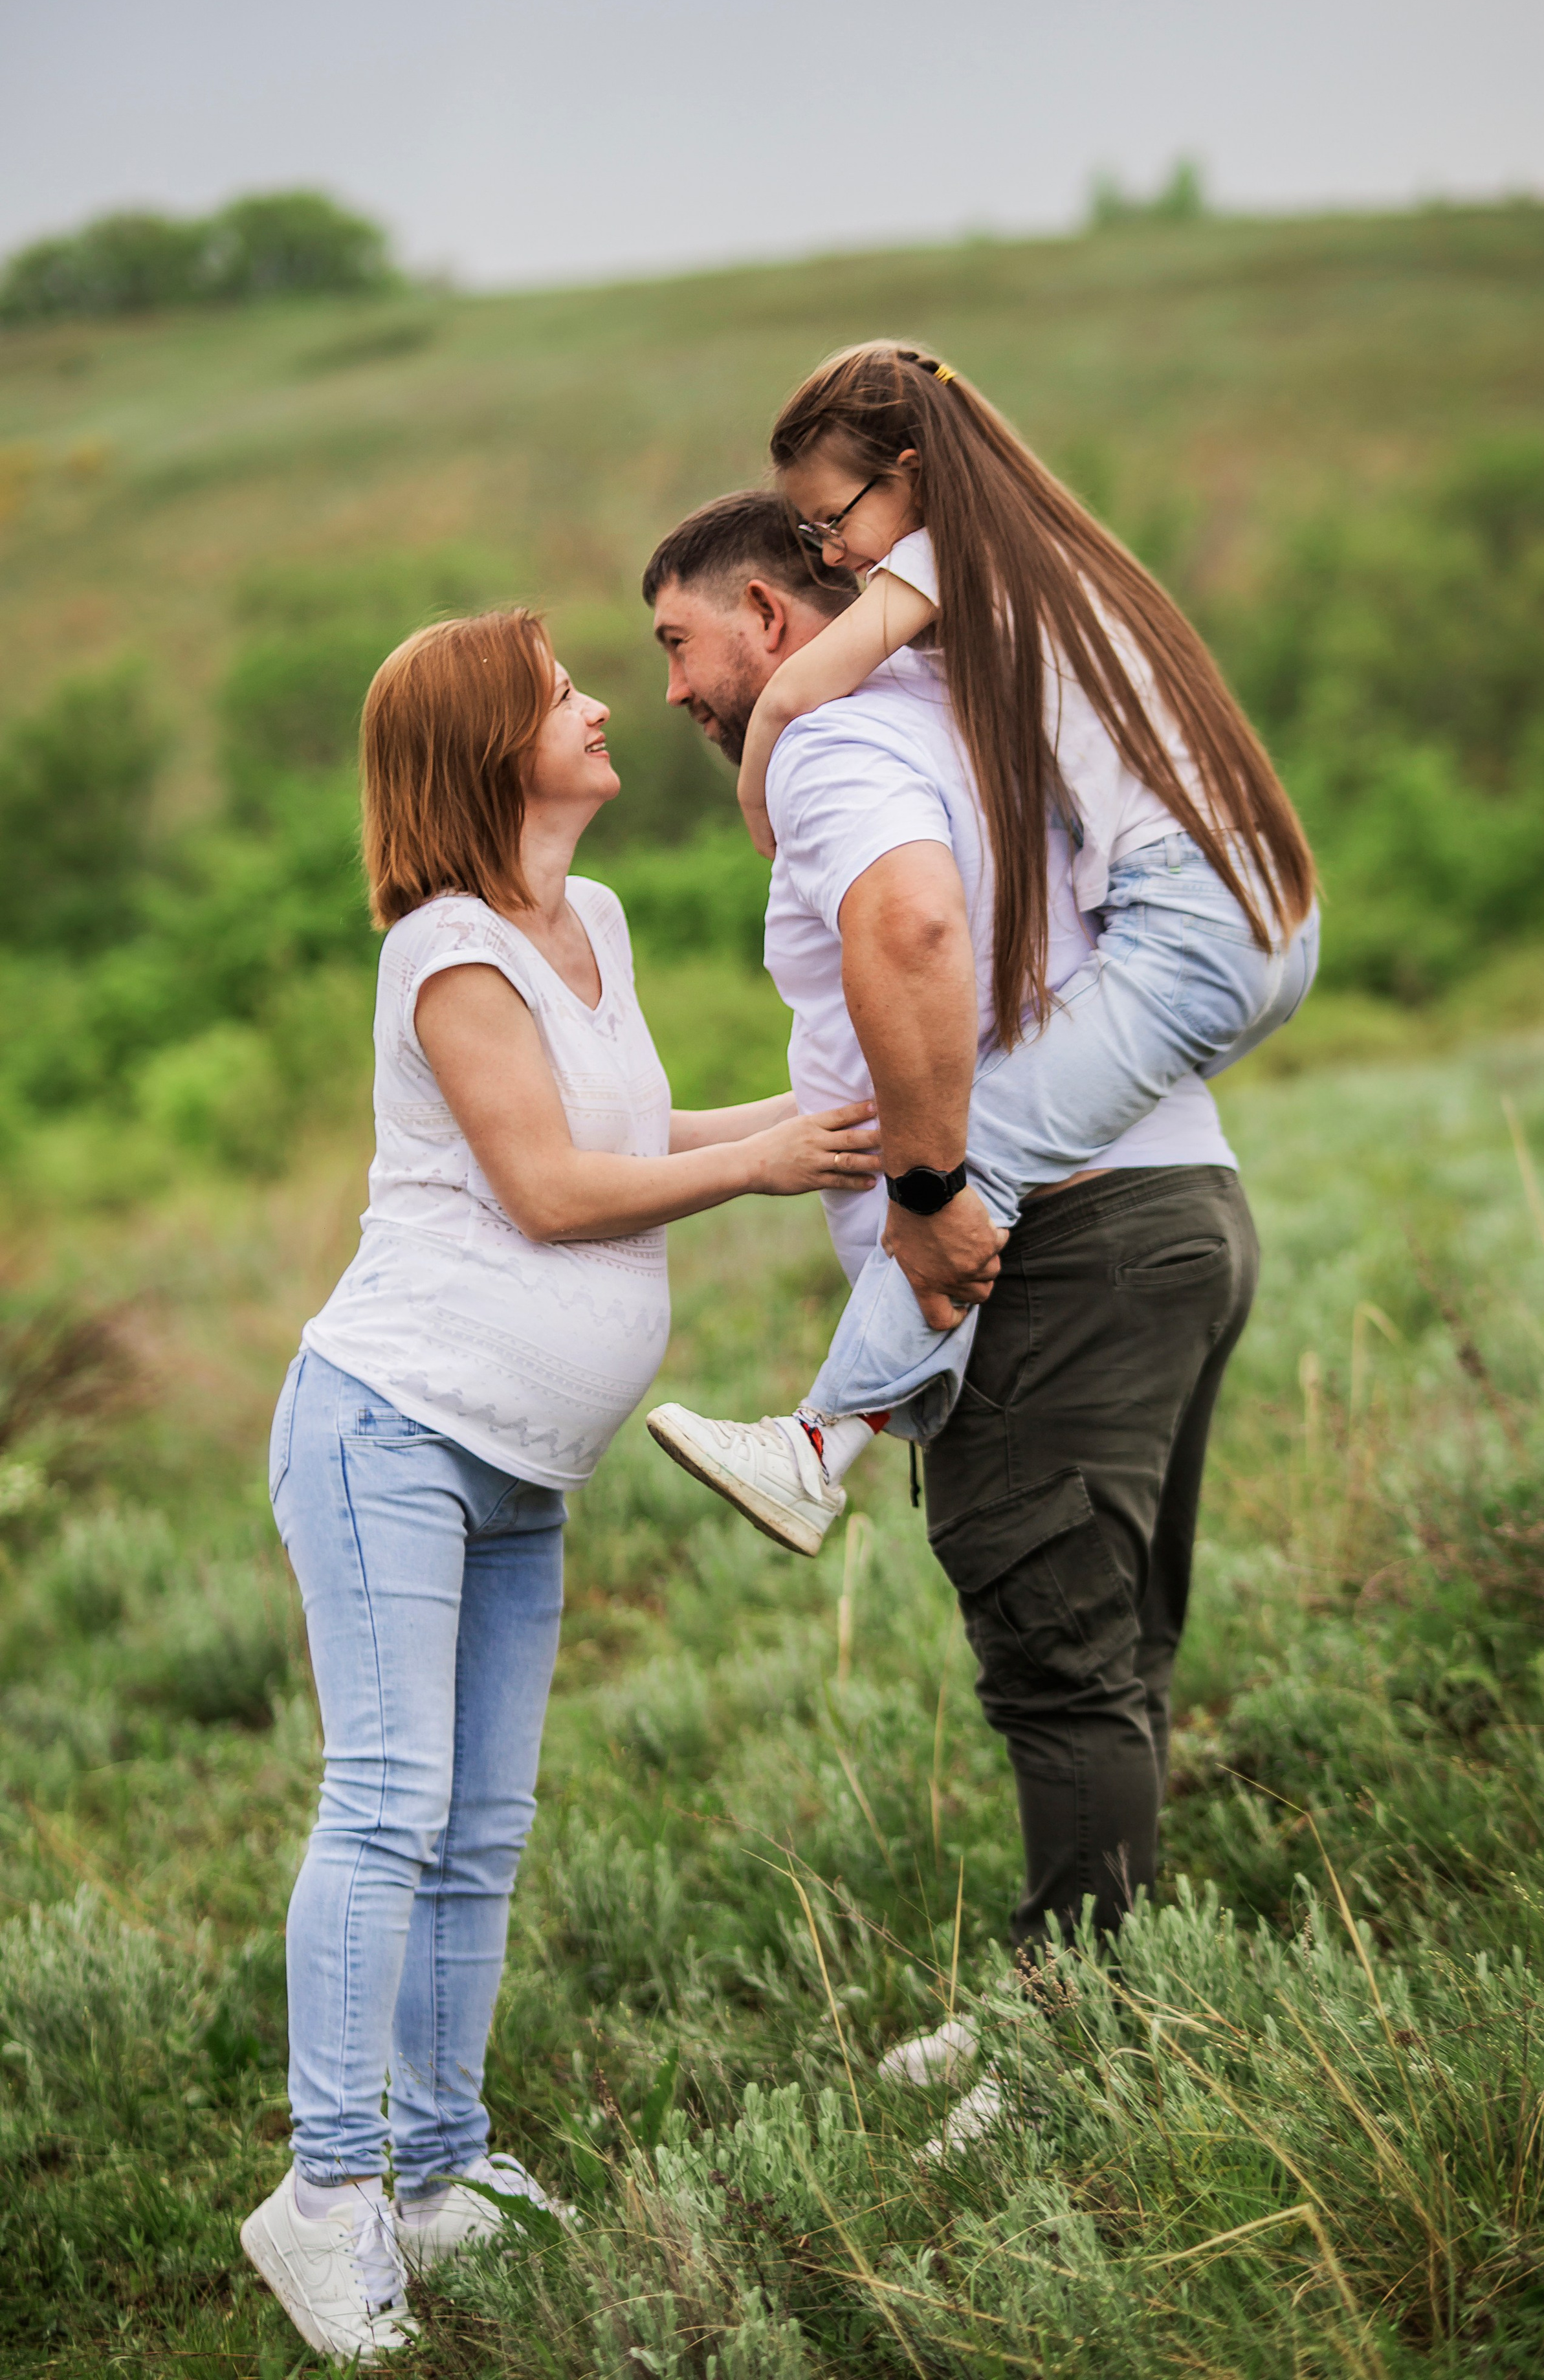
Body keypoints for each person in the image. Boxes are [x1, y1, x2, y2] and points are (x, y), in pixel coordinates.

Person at [239, 608, 877, 2364]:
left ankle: (441, 2180)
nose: (604, 705)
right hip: (392, 1429)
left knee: (483, 1833)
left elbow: (625, 1125)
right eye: (561, 693)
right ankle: (327, 2200)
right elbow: (541, 1187)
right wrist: (762, 1166)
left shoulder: (586, 920)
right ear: (487, 750)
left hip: (522, 1466)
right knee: (387, 1805)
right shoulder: (446, 952)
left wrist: (803, 1117)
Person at [641, 485, 1264, 2125]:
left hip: (1048, 1250)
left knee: (1058, 1665)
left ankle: (1079, 2062)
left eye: (676, 643)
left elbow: (908, 921)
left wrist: (925, 1193)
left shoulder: (840, 747)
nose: (671, 688)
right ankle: (1082, 1992)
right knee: (1113, 1649)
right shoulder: (975, 715)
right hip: (1173, 1207)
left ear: (771, 619)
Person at [648, 344, 1316, 1556]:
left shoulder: (952, 561)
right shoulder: (1039, 563)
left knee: (957, 1156)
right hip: (1250, 910)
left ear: (909, 472)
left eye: (834, 519)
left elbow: (804, 689)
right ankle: (843, 1428)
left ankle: (815, 1445)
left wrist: (759, 785)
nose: (833, 556)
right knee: (994, 1121)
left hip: (1194, 924)